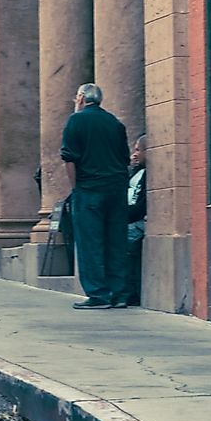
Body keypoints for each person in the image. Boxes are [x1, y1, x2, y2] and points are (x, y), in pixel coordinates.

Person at [61, 83, 131, 309]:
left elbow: (69, 159)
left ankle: (99, 295)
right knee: (116, 241)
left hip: (89, 189)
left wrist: (76, 189)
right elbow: (125, 158)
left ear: (81, 98)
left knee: (90, 243)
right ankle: (119, 294)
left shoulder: (75, 121)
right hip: (116, 189)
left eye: (76, 97)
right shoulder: (115, 123)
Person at [120, 133, 149, 308]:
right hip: (129, 219)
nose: (134, 154)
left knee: (123, 240)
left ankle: (127, 293)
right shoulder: (136, 172)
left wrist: (122, 217)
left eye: (139, 150)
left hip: (138, 222)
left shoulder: (150, 175)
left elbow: (142, 205)